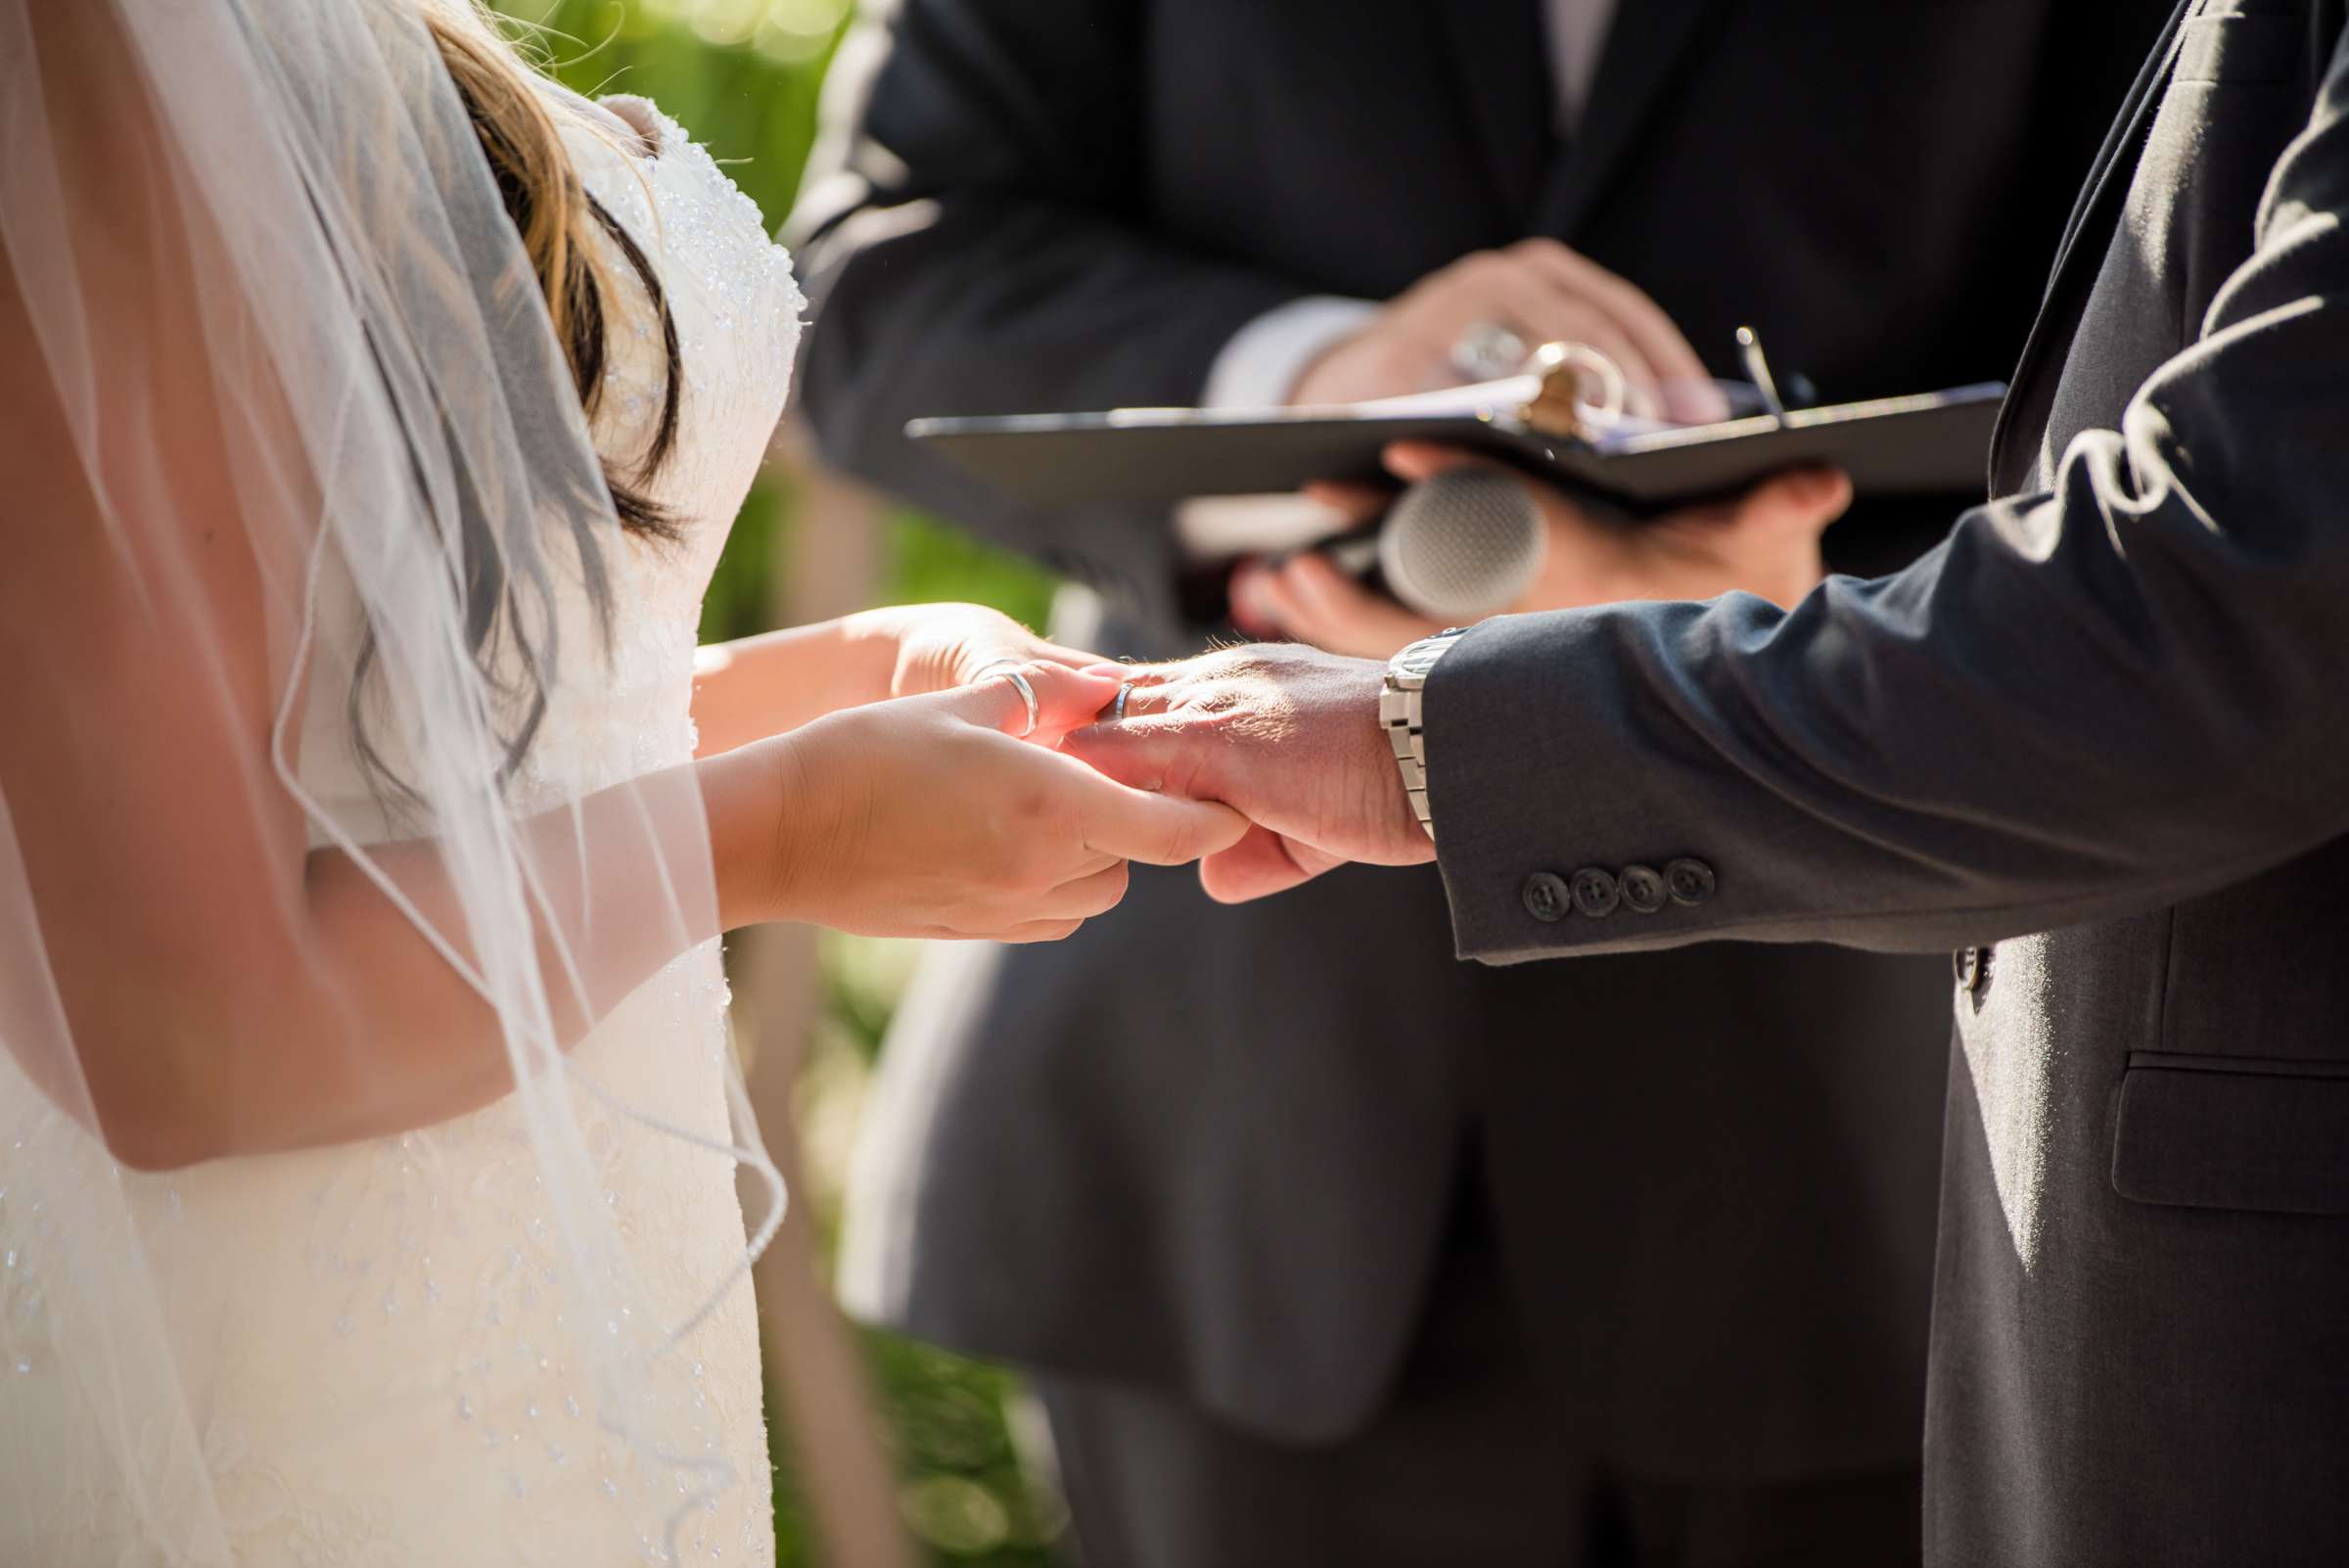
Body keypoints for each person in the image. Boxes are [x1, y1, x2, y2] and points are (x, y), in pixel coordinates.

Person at [791, 1, 2162, 1562]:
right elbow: (869, 276)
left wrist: (1776, 594)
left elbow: (2195, 415)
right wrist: (1315, 380)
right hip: (1229, 1152)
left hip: (1871, 1190)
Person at [0, 3, 1241, 1560]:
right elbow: (182, 1036)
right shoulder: (96, 46)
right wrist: (791, 825)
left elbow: (386, 765)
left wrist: (841, 681)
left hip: (565, 1331)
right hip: (303, 1367)